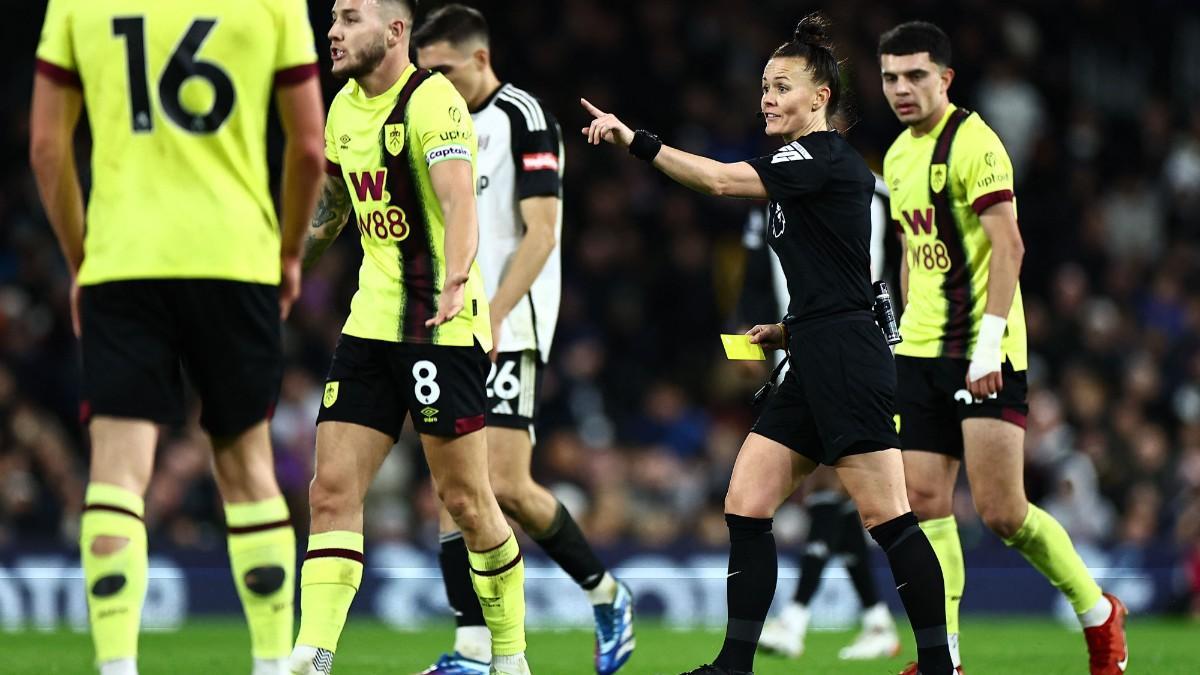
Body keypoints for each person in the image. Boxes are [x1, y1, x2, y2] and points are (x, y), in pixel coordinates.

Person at [582, 13, 954, 675]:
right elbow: (835, 270)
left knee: (888, 516)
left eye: (781, 86)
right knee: (747, 500)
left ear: (820, 98)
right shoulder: (799, 168)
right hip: (812, 348)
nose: (767, 99)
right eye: (763, 87)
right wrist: (786, 328)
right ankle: (734, 664)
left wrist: (636, 141)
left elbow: (721, 182)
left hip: (844, 355)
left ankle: (936, 663)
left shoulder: (820, 156)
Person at [30, 1, 324, 674]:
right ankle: (275, 663)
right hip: (236, 259)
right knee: (249, 468)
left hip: (124, 262)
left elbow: (47, 147)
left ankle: (116, 664)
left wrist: (83, 259)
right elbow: (309, 148)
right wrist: (287, 254)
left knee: (117, 474)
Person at [877, 21, 1129, 675]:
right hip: (922, 350)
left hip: (984, 348)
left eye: (915, 76)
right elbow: (911, 250)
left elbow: (1010, 246)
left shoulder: (975, 142)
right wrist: (904, 327)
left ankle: (1100, 614)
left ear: (945, 79)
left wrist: (989, 346)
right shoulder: (900, 154)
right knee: (925, 504)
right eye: (890, 77)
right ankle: (944, 657)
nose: (901, 89)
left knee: (1002, 511)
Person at [287, 2, 530, 674]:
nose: (331, 30)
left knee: (466, 501)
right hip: (370, 324)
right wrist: (280, 272)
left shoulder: (431, 99)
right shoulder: (341, 108)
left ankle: (510, 656)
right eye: (332, 17)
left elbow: (458, 200)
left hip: (440, 327)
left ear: (394, 32)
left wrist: (456, 278)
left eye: (349, 16)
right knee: (330, 488)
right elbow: (333, 208)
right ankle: (313, 652)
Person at [414, 6, 635, 675]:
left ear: (479, 60)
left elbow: (542, 230)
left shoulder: (523, 116)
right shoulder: (430, 119)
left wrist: (496, 311)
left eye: (444, 71)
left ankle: (606, 591)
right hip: (444, 321)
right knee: (454, 487)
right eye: (425, 75)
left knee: (504, 484)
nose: (434, 85)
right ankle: (474, 647)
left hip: (509, 322)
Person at [739, 183, 901, 662]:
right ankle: (875, 619)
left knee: (839, 488)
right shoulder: (768, 197)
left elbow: (883, 274)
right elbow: (754, 273)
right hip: (793, 347)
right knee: (838, 493)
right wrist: (748, 329)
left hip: (854, 353)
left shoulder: (869, 195)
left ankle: (796, 616)